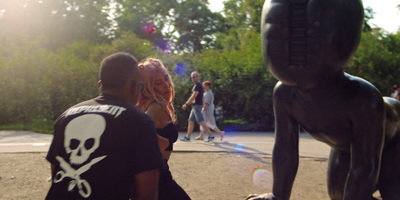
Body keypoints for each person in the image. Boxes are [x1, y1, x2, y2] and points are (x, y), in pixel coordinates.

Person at [247, 1, 400, 199]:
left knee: (392, 191)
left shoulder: (363, 99)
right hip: (346, 146)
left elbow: (365, 166)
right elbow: (285, 151)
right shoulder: (285, 94)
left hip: (393, 143)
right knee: (338, 194)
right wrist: (278, 196)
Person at [45, 52, 162, 200]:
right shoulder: (139, 122)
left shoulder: (66, 116)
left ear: (100, 85)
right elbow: (147, 193)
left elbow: (56, 173)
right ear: (134, 87)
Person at [136, 58, 191, 200]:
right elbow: (139, 129)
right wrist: (163, 142)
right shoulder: (157, 105)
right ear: (149, 87)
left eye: (166, 78)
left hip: (152, 176)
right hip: (157, 179)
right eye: (158, 83)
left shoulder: (148, 105)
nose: (166, 86)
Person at [180, 71, 214, 142]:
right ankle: (187, 137)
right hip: (195, 106)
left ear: (198, 77)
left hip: (197, 106)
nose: (192, 78)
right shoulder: (197, 85)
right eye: (192, 77)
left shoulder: (198, 85)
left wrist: (186, 104)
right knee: (191, 121)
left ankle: (210, 135)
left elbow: (194, 96)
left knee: (201, 121)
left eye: (194, 77)